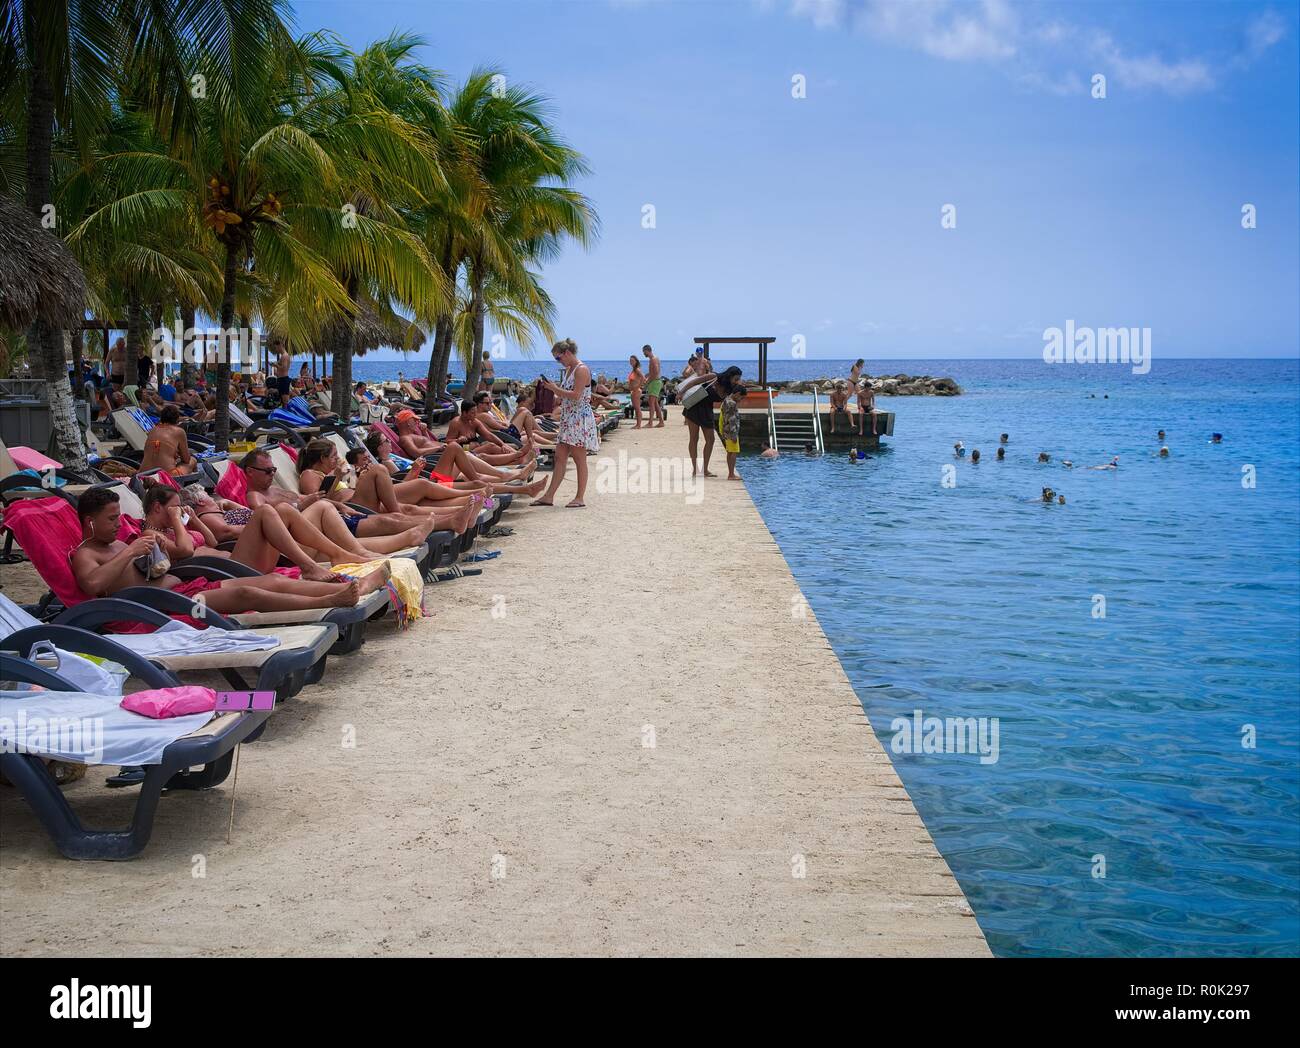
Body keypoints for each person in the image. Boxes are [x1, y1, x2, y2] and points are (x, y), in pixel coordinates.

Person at [70, 486, 389, 614]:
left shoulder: (115, 543)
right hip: (162, 606)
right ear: (89, 521)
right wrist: (130, 551)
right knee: (246, 596)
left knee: (270, 581)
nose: (117, 524)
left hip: (187, 585)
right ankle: (331, 599)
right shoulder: (86, 553)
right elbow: (93, 585)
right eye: (110, 519)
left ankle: (354, 586)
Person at [236, 447, 436, 552]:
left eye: (274, 470)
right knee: (389, 519)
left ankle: (442, 521)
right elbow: (266, 521)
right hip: (319, 530)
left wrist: (341, 506)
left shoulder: (276, 490)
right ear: (250, 473)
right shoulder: (255, 497)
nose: (272, 474)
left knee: (396, 516)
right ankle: (434, 525)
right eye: (268, 471)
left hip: (337, 514)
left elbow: (314, 499)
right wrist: (303, 504)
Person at [297, 439, 482, 535]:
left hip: (359, 499)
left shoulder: (330, 473)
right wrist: (339, 477)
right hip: (353, 505)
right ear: (321, 459)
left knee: (412, 505)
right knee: (385, 472)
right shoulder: (309, 475)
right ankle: (476, 491)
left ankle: (469, 505)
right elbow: (318, 502)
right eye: (333, 456)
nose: (337, 459)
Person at [534, 338, 599, 508]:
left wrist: (555, 389)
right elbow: (569, 394)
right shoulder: (570, 369)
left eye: (558, 358)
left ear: (567, 353)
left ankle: (580, 497)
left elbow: (577, 395)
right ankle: (549, 496)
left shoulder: (581, 369)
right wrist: (553, 393)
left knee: (579, 458)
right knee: (560, 456)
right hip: (569, 418)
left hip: (578, 419)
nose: (559, 361)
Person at [678, 364, 742, 478]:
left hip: (707, 410)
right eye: (736, 379)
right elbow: (694, 382)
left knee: (710, 439)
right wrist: (681, 392)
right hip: (694, 406)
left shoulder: (730, 388)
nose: (737, 381)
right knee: (694, 438)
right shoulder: (714, 377)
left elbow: (735, 399)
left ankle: (705, 469)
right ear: (729, 376)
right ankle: (695, 469)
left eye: (738, 379)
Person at [138, 405, 198, 475]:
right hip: (166, 475)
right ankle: (194, 484)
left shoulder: (152, 430)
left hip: (144, 473)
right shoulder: (179, 431)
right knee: (193, 460)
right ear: (177, 419)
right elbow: (186, 459)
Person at [719, 384, 745, 480]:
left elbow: (723, 417)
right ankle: (731, 474)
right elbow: (732, 419)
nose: (741, 400)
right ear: (737, 394)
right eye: (741, 397)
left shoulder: (726, 400)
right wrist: (734, 434)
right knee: (734, 452)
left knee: (730, 452)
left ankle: (731, 473)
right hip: (731, 431)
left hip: (726, 430)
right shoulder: (732, 404)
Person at [642, 345, 664, 427]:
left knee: (651, 403)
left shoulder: (653, 359)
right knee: (655, 403)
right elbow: (653, 371)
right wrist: (646, 375)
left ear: (647, 350)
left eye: (644, 352)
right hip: (655, 382)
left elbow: (656, 372)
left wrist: (647, 382)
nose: (643, 353)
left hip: (655, 382)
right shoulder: (654, 359)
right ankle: (661, 422)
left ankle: (650, 423)